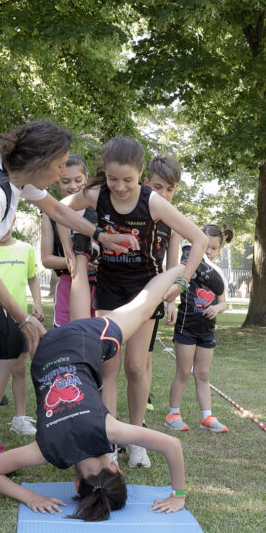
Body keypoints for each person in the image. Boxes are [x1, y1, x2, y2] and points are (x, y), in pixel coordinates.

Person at [0, 119, 135, 499]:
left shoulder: (15, 178)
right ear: (39, 160)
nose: (63, 172)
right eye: (60, 163)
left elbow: (57, 210)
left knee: (9, 345)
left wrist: (101, 235)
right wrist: (24, 316)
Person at [0, 266, 187, 520]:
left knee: (144, 306)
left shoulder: (108, 429)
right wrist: (30, 497)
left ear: (115, 469)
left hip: (85, 339)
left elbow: (172, 445)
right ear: (76, 484)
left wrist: (179, 494)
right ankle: (81, 259)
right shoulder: (46, 450)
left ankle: (180, 267)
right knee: (103, 369)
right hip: (45, 349)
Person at [60, 135, 207, 470]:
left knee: (136, 366)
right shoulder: (97, 194)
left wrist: (181, 282)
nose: (121, 188)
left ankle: (136, 437)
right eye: (113, 180)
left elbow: (198, 238)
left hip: (145, 290)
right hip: (109, 288)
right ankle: (109, 442)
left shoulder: (153, 202)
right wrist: (74, 249)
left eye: (128, 180)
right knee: (109, 364)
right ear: (105, 175)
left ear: (140, 174)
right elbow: (58, 208)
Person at [165, 224, 233, 434]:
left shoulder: (218, 274)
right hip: (186, 327)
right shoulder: (189, 264)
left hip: (207, 331)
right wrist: (170, 304)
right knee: (184, 372)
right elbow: (173, 285)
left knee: (202, 374)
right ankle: (173, 415)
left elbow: (223, 302)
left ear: (219, 250)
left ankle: (207, 417)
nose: (208, 252)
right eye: (205, 247)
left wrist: (217, 308)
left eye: (213, 248)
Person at [0, 219, 43, 435]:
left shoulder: (26, 249)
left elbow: (33, 278)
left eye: (6, 222)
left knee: (19, 369)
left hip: (18, 319)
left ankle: (20, 419)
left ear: (13, 220)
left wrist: (37, 303)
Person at [143, 155, 182, 411]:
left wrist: (172, 300)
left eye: (169, 189)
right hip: (121, 290)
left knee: (144, 358)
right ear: (146, 183)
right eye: (158, 187)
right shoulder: (132, 212)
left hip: (154, 293)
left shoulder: (174, 222)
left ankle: (142, 400)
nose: (163, 194)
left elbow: (174, 266)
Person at [40, 153, 98, 326]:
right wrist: (76, 262)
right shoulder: (50, 214)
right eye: (66, 181)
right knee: (69, 339)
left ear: (86, 178)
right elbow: (46, 259)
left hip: (103, 287)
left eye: (78, 180)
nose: (73, 186)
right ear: (57, 180)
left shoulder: (100, 209)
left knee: (100, 342)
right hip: (68, 284)